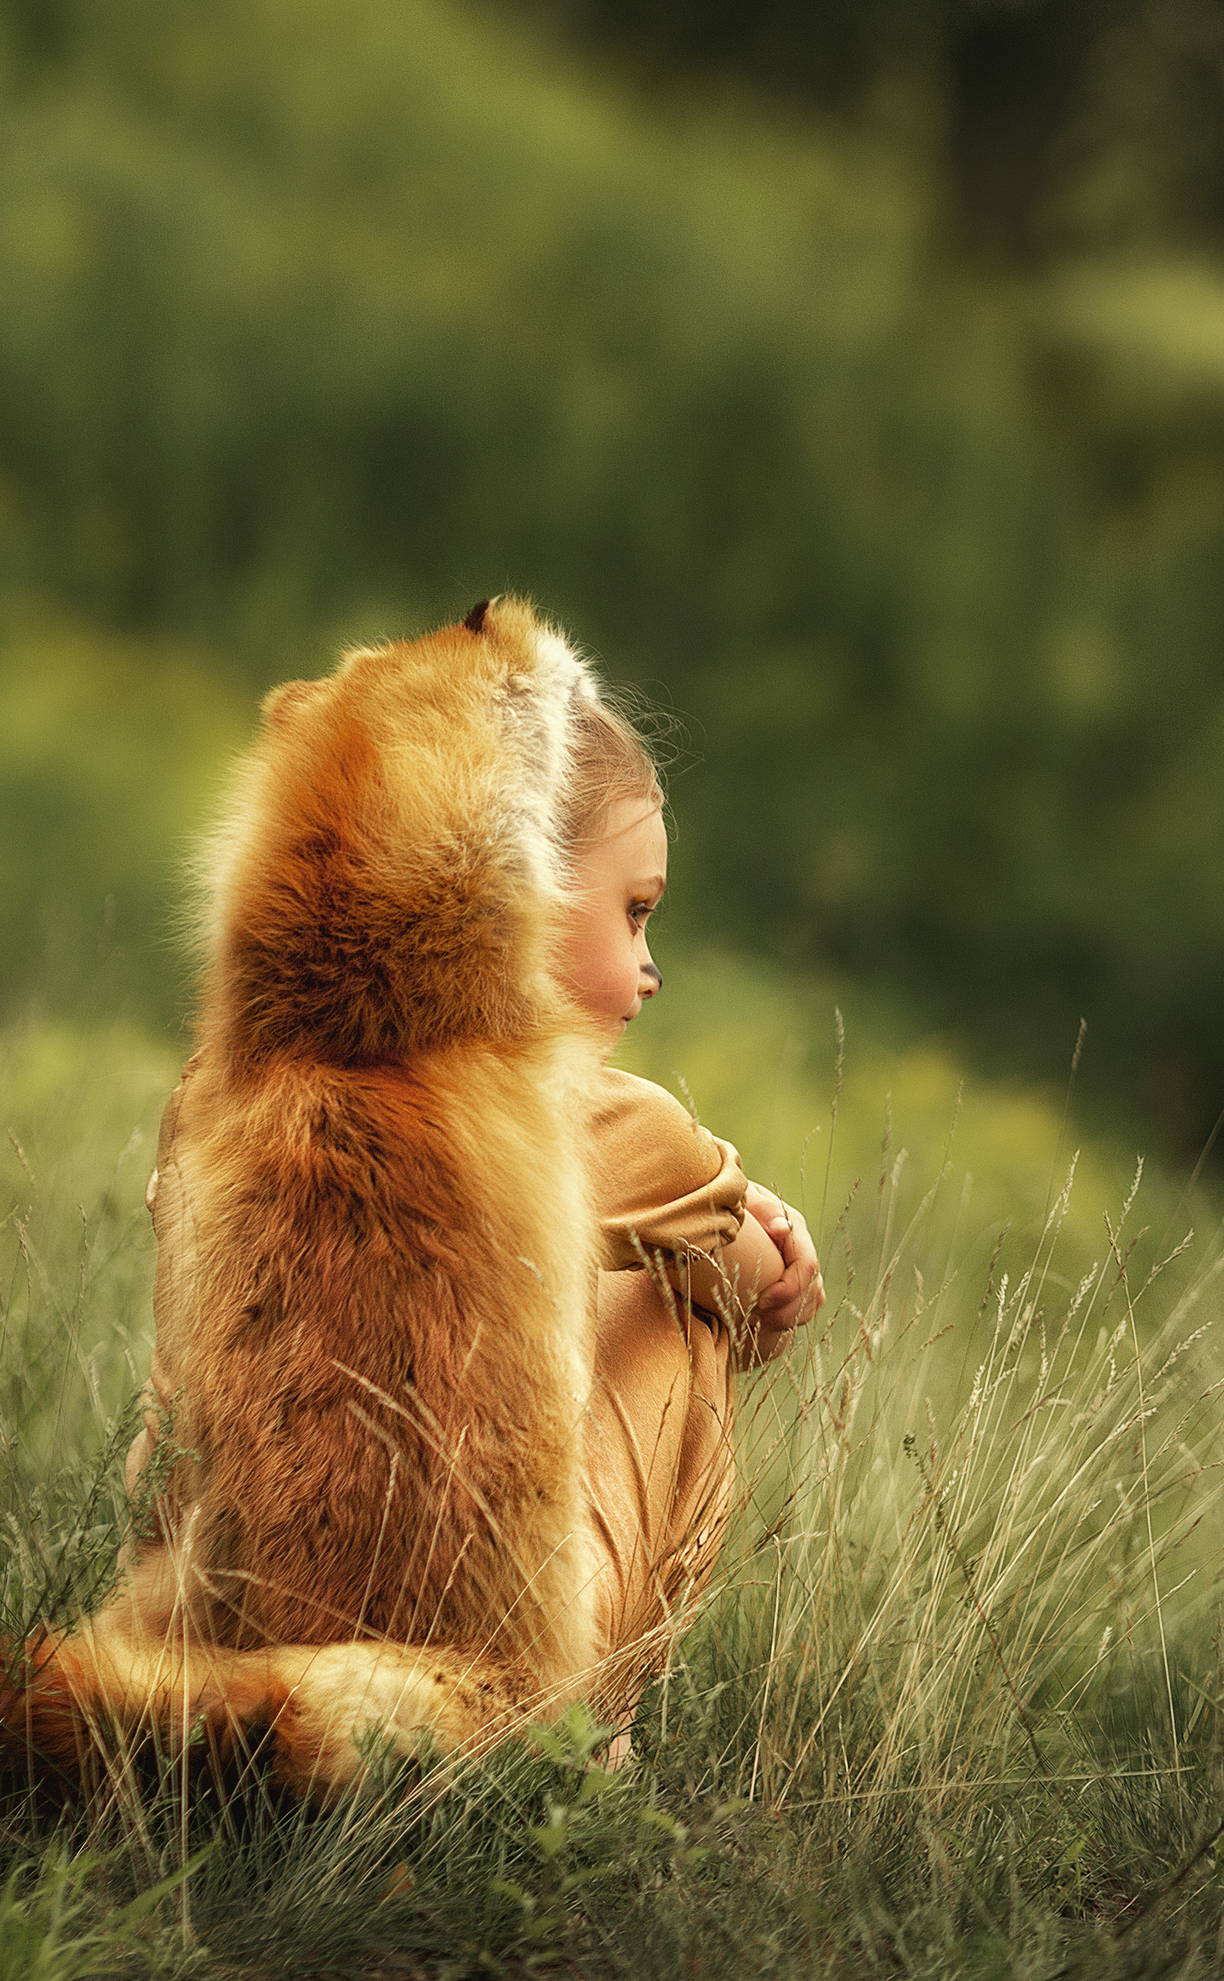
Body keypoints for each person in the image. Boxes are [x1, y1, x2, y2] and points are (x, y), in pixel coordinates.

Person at [125, 686, 825, 1718]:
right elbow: (759, 1299)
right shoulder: (606, 1124)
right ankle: (594, 1726)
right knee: (678, 1300)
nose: (649, 970)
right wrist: (743, 1208)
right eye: (634, 914)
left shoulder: (223, 1086)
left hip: (204, 1634)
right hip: (455, 1674)